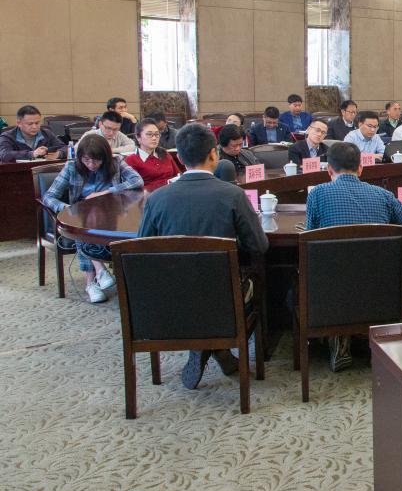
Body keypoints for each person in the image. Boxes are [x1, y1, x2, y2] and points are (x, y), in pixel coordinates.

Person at [138, 123, 269, 389]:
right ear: (214, 154)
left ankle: (204, 346)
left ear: (179, 157)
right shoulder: (233, 194)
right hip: (222, 294)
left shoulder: (156, 199)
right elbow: (258, 245)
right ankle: (215, 344)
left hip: (171, 296)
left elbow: (143, 251)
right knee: (258, 284)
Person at [305, 141, 402, 371]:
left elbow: (310, 237)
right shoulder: (383, 195)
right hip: (379, 286)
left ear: (329, 170)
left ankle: (339, 335)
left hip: (333, 289)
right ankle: (373, 340)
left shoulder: (317, 194)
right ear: (360, 168)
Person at [43, 134, 144, 303]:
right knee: (82, 226)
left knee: (86, 229)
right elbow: (49, 197)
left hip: (112, 214)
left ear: (105, 157)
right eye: (86, 160)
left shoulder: (116, 162)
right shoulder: (71, 167)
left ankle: (93, 281)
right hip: (82, 214)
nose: (91, 165)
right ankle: (97, 275)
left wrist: (105, 192)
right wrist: (67, 208)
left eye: (96, 161)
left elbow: (137, 181)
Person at [124, 118, 178, 192]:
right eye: (149, 134)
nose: (154, 138)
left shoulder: (164, 154)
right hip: (149, 196)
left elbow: (178, 175)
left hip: (172, 192)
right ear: (138, 137)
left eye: (157, 134)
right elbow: (134, 189)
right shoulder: (131, 160)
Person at [0, 105, 65, 162]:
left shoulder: (47, 133)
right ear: (19, 123)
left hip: (43, 170)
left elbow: (65, 148)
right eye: (30, 124)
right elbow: (4, 154)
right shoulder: (7, 136)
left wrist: (59, 154)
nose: (34, 127)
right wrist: (32, 154)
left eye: (37, 123)